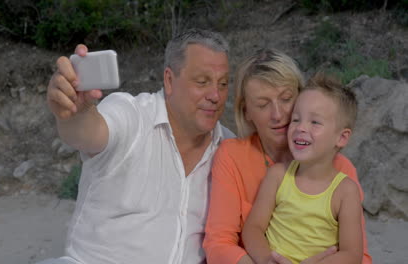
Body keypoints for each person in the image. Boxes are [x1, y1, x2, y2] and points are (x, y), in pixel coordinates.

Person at [41, 28, 234, 264]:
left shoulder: (229, 148)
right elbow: (89, 133)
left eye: (223, 84)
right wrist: (74, 112)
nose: (215, 95)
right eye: (202, 82)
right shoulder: (133, 115)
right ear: (169, 80)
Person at [203, 49, 372, 264]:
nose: (278, 115)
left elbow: (360, 256)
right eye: (263, 105)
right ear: (247, 112)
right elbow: (219, 243)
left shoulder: (341, 170)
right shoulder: (233, 156)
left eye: (286, 98)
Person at [242, 73, 363, 264]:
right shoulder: (278, 176)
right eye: (296, 119)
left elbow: (352, 254)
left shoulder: (345, 191)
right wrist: (267, 260)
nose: (301, 128)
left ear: (341, 138)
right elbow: (253, 228)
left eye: (314, 122)